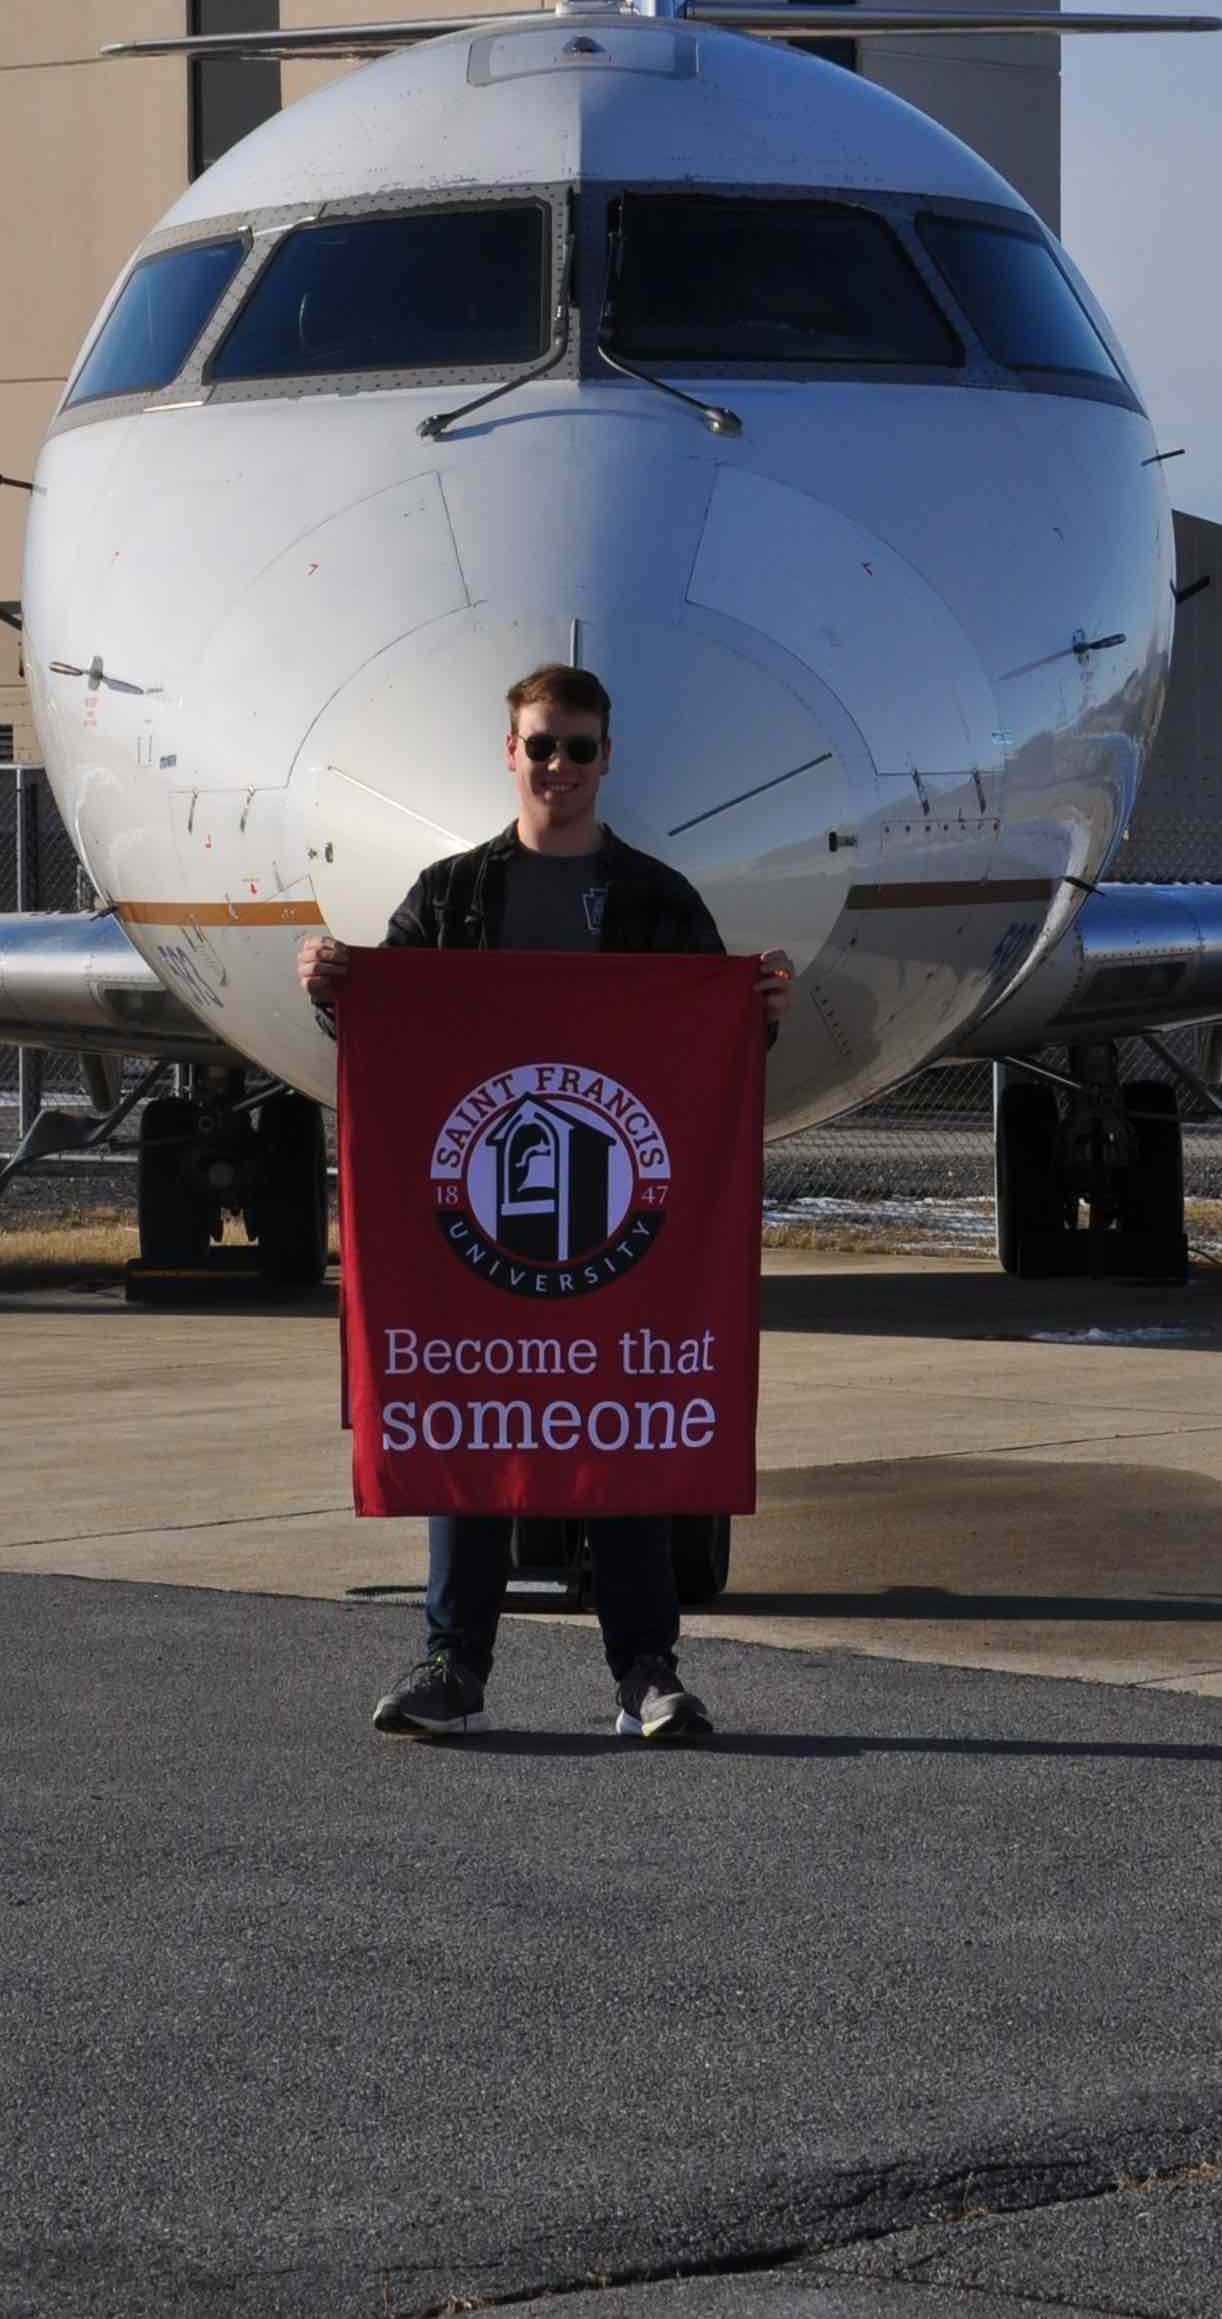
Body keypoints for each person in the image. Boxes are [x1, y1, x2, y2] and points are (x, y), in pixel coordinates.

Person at [297, 662, 794, 1744]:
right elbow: (392, 1047)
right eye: (541, 745)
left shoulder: (660, 904)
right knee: (469, 1421)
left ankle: (646, 1672)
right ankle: (452, 1665)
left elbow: (708, 1060)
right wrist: (339, 989)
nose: (558, 766)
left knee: (621, 1432)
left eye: (578, 747)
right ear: (509, 752)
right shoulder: (449, 896)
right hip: (475, 1236)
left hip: (623, 1241)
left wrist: (757, 1010)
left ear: (608, 758)